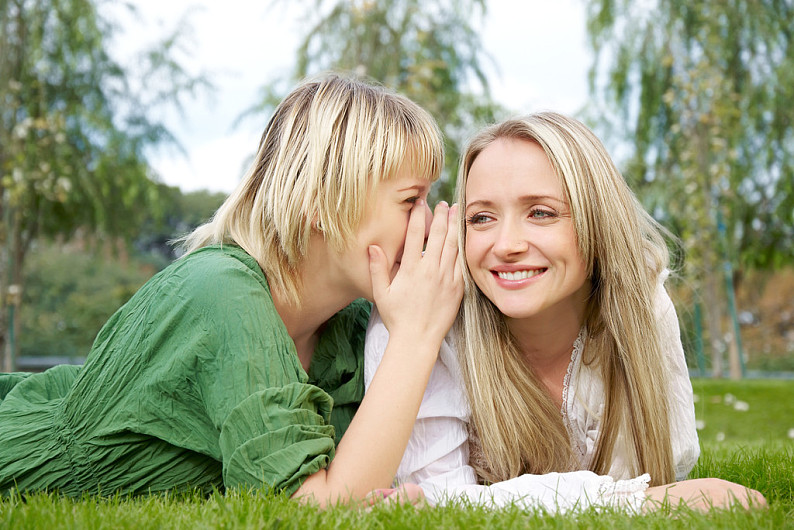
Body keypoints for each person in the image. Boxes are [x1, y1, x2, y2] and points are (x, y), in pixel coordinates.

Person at [0, 73, 463, 507]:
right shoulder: (223, 294)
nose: (429, 220)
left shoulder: (354, 325)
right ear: (322, 203)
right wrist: (414, 336)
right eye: (410, 200)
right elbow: (314, 511)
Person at [365, 112, 766, 512]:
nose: (506, 244)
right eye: (482, 218)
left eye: (540, 212)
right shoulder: (423, 319)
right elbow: (434, 502)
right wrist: (635, 502)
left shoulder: (640, 306)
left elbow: (665, 464)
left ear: (597, 220)